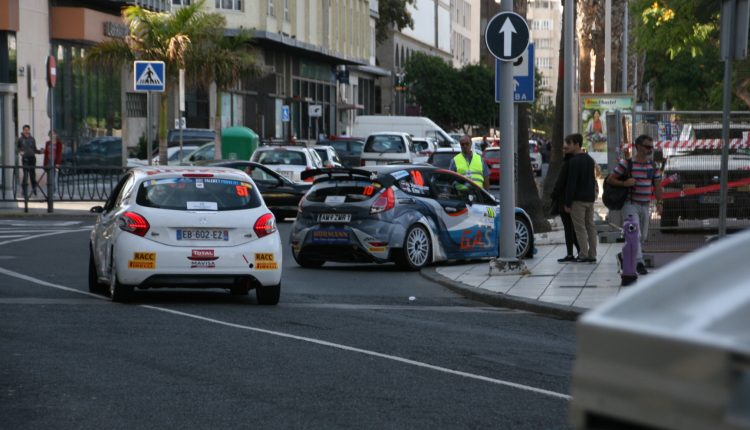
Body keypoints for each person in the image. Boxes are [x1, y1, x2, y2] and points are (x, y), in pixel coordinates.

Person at [607, 134, 663, 275]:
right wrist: (624, 183)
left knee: (642, 237)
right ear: (638, 146)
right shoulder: (627, 164)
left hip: (645, 206)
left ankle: (623, 256)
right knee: (635, 234)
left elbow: (657, 186)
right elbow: (610, 179)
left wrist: (660, 202)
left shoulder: (653, 166)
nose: (650, 149)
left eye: (651, 147)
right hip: (630, 205)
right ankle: (639, 263)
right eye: (647, 146)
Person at [563, 133, 598, 263]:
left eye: (569, 143)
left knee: (580, 228)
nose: (567, 146)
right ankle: (592, 254)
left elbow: (571, 183)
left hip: (577, 200)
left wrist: (567, 203)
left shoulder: (574, 161)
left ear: (577, 145)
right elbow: (593, 179)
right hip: (589, 199)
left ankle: (583, 254)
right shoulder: (589, 160)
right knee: (590, 226)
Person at [551, 139, 580, 262]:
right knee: (571, 228)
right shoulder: (575, 161)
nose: (564, 149)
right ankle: (579, 251)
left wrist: (554, 194)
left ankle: (573, 253)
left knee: (569, 228)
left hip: (565, 200)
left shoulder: (568, 163)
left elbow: (561, 182)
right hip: (572, 199)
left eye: (566, 148)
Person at [16, 124, 41, 197]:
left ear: (29, 130)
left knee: (32, 174)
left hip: (32, 158)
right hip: (25, 159)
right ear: (23, 130)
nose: (26, 131)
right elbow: (17, 148)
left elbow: (35, 149)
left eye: (27, 130)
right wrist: (20, 151)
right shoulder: (20, 139)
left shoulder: (32, 139)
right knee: (25, 175)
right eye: (25, 130)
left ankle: (34, 189)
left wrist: (40, 151)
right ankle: (24, 190)